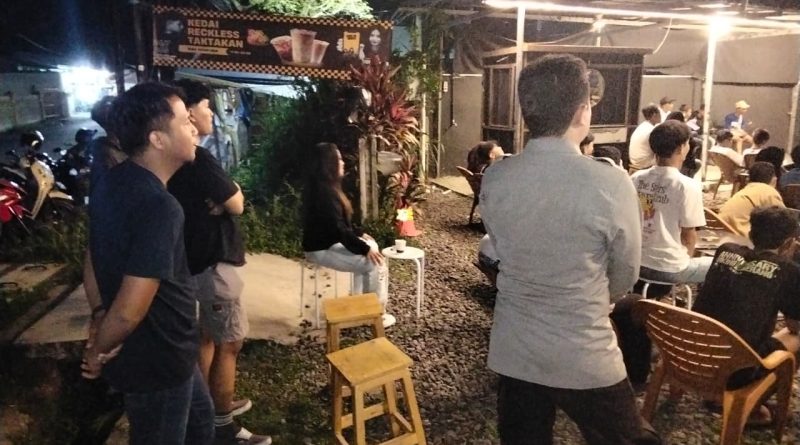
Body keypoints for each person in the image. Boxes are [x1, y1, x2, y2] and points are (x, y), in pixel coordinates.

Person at [480, 54, 659, 445]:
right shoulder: (610, 183)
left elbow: (500, 246)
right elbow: (625, 273)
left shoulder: (496, 177)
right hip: (584, 348)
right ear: (582, 111)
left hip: (516, 347)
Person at [81, 82, 214, 445]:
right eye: (185, 122)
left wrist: (98, 315)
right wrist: (98, 350)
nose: (193, 129)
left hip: (173, 353)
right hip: (158, 359)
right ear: (158, 139)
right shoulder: (159, 206)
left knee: (202, 429)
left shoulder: (112, 182)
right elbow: (129, 311)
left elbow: (91, 254)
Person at [167, 79, 270, 445]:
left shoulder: (176, 161)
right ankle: (222, 427)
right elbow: (236, 202)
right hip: (213, 264)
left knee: (207, 337)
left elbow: (227, 197)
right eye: (206, 107)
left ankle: (207, 409)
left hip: (196, 261)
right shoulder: (199, 159)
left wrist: (226, 197)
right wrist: (229, 197)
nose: (212, 113)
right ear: (188, 114)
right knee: (230, 342)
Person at [693, 207, 800, 392]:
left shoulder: (724, 250)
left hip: (692, 351)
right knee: (796, 339)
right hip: (738, 370)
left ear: (750, 234)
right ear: (788, 243)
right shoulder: (788, 270)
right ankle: (751, 401)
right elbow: (794, 325)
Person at [302, 142, 393, 327]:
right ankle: (375, 314)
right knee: (375, 263)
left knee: (372, 250)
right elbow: (338, 229)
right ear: (329, 164)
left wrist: (361, 235)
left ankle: (359, 304)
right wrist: (363, 248)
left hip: (327, 243)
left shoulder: (326, 188)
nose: (343, 162)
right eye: (339, 159)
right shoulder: (324, 194)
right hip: (320, 249)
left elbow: (340, 224)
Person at [631, 120, 712, 284]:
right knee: (719, 264)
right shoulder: (687, 186)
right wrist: (682, 262)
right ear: (682, 148)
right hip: (669, 269)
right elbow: (689, 236)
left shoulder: (636, 178)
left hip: (635, 263)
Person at [717, 162, 784, 237]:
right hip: (741, 235)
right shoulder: (769, 191)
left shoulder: (746, 190)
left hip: (723, 230)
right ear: (774, 179)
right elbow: (784, 219)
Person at [628, 104, 661, 172]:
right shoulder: (651, 130)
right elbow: (658, 148)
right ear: (654, 115)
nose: (661, 116)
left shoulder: (642, 126)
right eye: (659, 113)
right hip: (643, 162)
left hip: (634, 160)